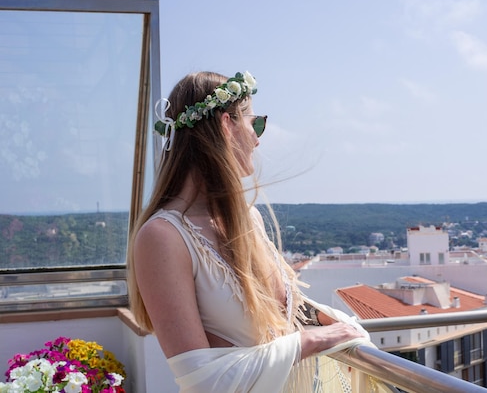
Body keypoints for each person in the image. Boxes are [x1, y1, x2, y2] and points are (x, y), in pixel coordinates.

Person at [127, 71, 394, 392]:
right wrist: (308, 342)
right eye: (255, 124)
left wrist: (326, 322)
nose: (257, 139)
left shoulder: (248, 218)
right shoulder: (163, 238)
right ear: (227, 125)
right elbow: (201, 381)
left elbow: (277, 314)